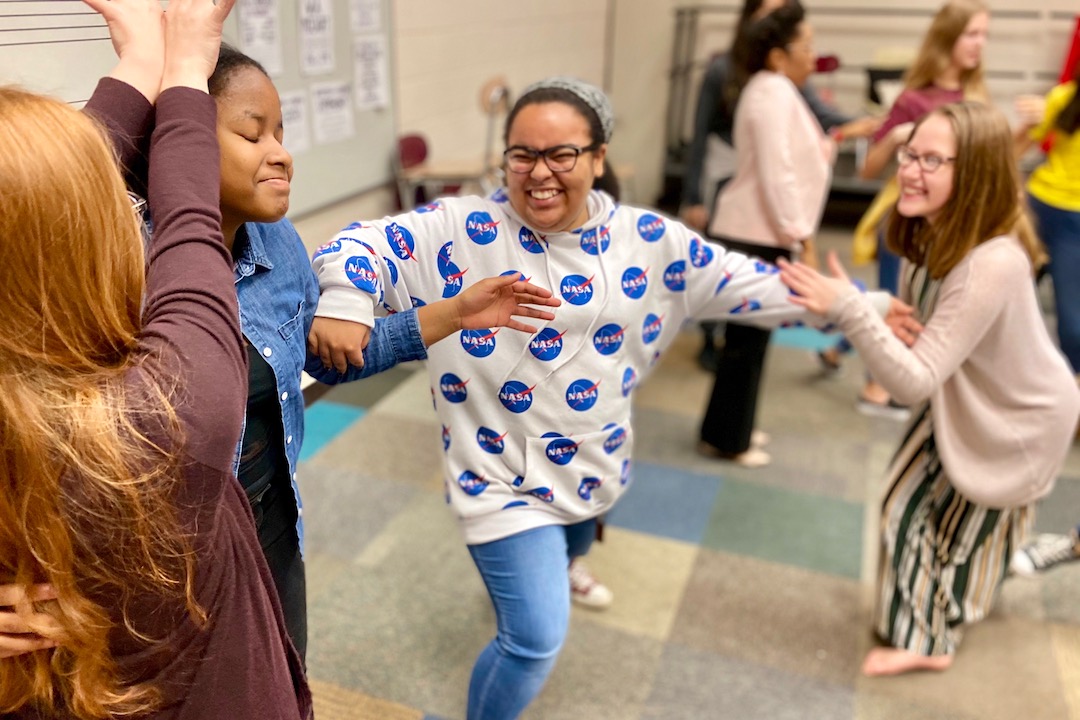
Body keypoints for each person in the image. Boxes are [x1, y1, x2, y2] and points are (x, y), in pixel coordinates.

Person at [308, 76, 902, 719]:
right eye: (522, 154)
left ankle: (563, 566)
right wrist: (347, 301)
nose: (540, 173)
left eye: (562, 154)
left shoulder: (649, 241)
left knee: (574, 546)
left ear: (598, 157)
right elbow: (357, 244)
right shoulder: (463, 228)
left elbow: (745, 285)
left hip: (595, 463)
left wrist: (859, 308)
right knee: (534, 639)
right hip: (498, 479)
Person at [0, 0, 314, 717]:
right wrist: (180, 66)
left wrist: (147, 61)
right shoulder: (164, 414)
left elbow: (36, 205)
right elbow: (188, 215)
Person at [779, 101, 1080, 676]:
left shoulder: (992, 260)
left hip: (1019, 419)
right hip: (968, 399)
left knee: (952, 526)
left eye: (932, 160)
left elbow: (912, 382)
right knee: (913, 509)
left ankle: (931, 643)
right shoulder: (929, 227)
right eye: (910, 154)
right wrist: (872, 310)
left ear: (974, 174)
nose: (910, 170)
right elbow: (926, 328)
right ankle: (942, 611)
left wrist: (849, 309)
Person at [695, 4, 833, 468]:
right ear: (778, 55)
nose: (813, 57)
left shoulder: (770, 88)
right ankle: (727, 440)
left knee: (749, 342)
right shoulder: (772, 91)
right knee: (746, 343)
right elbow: (780, 174)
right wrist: (802, 236)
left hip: (756, 228)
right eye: (806, 47)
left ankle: (731, 429)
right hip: (759, 231)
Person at [838, 0, 990, 418]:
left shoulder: (977, 95)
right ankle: (876, 387)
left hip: (955, 225)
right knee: (899, 305)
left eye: (984, 35)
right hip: (906, 222)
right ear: (949, 37)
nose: (981, 44)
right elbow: (868, 169)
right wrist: (896, 138)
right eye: (973, 34)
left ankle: (838, 345)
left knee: (923, 306)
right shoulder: (913, 98)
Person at [1007, 63, 1080, 580]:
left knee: (1074, 331)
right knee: (1007, 311)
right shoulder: (1067, 97)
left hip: (1078, 223)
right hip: (1043, 206)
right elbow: (1020, 139)